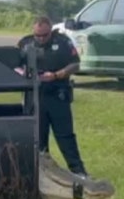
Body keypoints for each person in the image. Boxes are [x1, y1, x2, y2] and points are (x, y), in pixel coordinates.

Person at [18, 16, 88, 176]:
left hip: (57, 93)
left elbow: (75, 64)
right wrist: (22, 74)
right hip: (35, 96)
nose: (41, 39)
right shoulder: (25, 44)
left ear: (51, 31)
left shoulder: (63, 42)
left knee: (65, 136)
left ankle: (78, 171)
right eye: (38, 35)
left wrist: (57, 74)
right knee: (37, 138)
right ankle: (41, 173)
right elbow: (15, 64)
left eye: (45, 35)